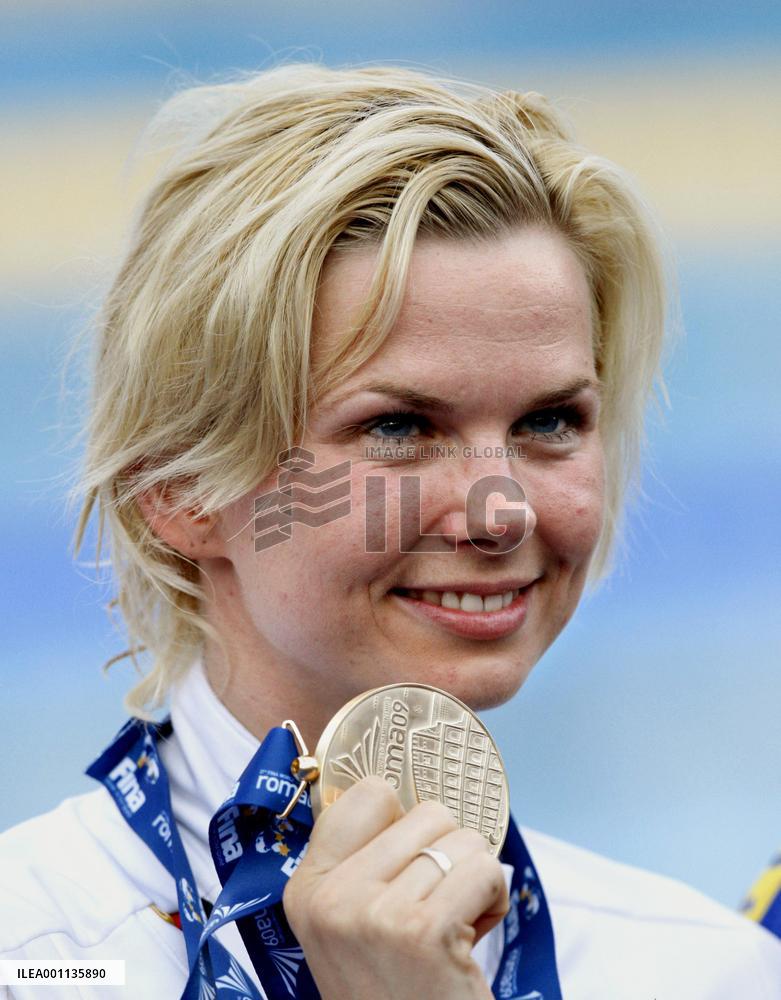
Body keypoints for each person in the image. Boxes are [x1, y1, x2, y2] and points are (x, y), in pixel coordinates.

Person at [1, 62, 779, 999]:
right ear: (177, 492)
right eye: (400, 428)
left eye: (549, 422)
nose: (503, 514)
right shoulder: (35, 953)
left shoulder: (700, 969)